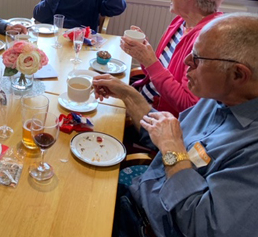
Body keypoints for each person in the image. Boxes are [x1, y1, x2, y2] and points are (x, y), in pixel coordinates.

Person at [93, 13, 258, 237]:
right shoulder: (216, 97)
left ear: (238, 74)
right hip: (137, 197)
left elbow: (201, 226)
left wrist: (172, 149)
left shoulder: (251, 152)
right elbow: (164, 132)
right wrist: (128, 95)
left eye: (198, 58)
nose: (186, 62)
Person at [121, 0, 231, 117]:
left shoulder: (210, 40)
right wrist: (144, 54)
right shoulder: (180, 22)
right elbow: (159, 73)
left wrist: (150, 62)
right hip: (143, 98)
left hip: (159, 119)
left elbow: (187, 105)